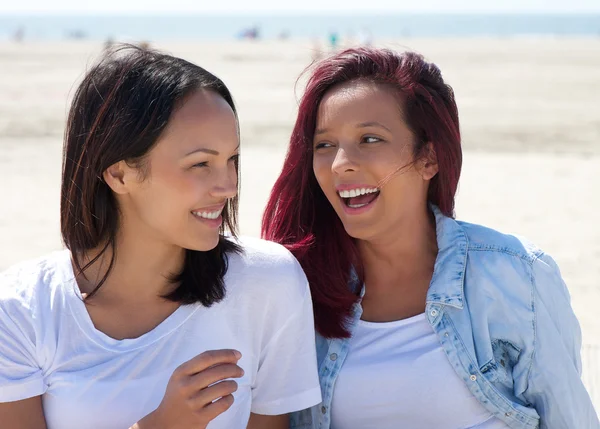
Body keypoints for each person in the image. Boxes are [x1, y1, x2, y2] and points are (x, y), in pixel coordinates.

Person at [262, 47, 599, 428]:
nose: (341, 163)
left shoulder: (517, 276)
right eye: (325, 145)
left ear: (429, 159)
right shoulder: (297, 291)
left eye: (370, 139)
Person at [0, 45, 321, 429]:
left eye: (232, 159)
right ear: (119, 174)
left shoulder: (267, 284)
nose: (229, 186)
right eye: (200, 163)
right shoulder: (23, 308)